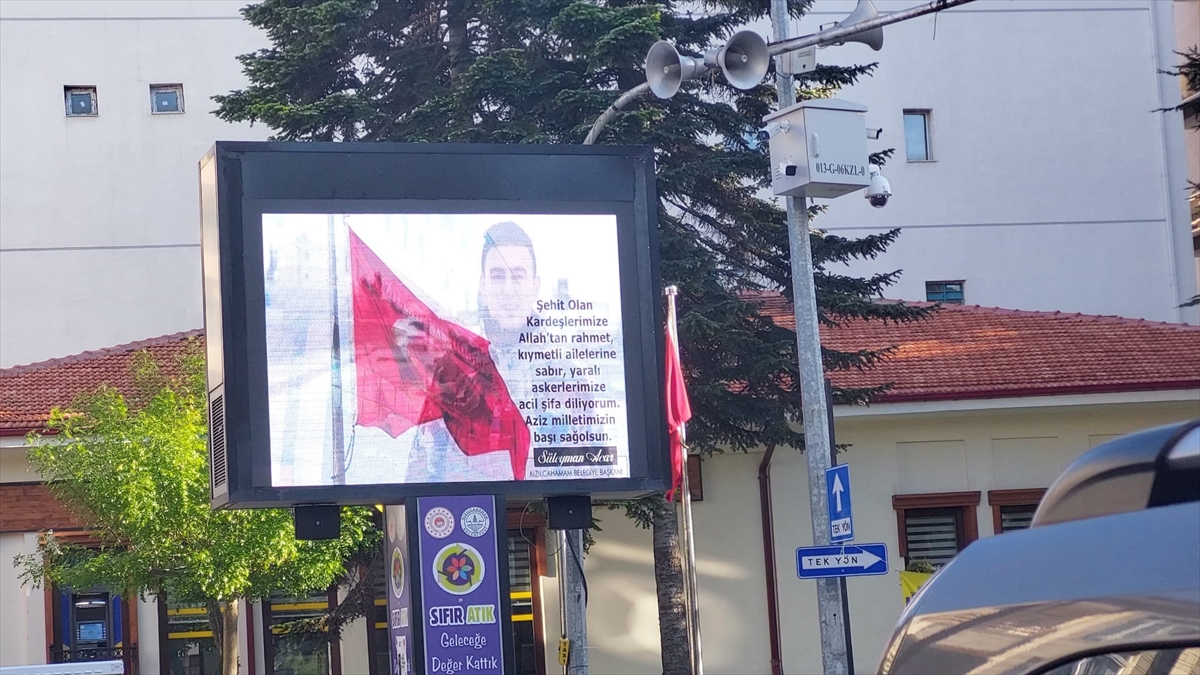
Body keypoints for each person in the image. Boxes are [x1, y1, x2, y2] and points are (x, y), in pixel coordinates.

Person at [401, 221, 542, 483]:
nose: (509, 289)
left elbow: (593, 468)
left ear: (535, 285)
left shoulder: (566, 376)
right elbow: (420, 473)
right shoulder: (454, 370)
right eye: (498, 276)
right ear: (483, 285)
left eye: (519, 276)